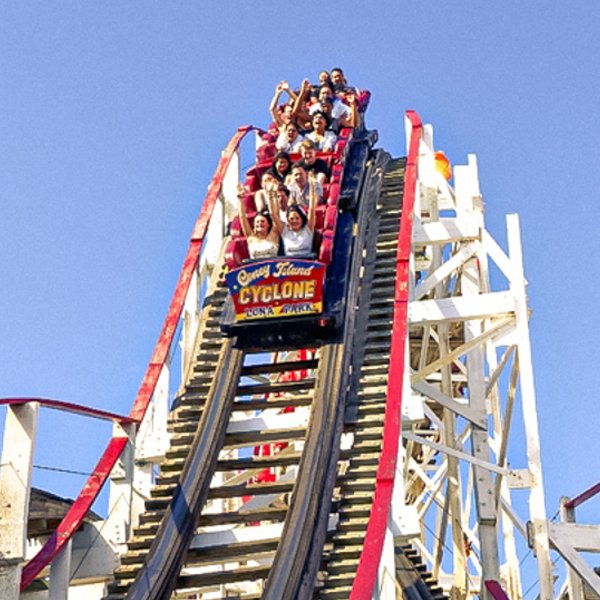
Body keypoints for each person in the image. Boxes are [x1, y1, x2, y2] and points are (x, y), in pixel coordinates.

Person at [271, 172, 318, 257]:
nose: (294, 221)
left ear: (302, 219)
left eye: (297, 218)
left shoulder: (308, 229)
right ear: (288, 221)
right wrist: (272, 193)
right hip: (289, 266)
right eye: (291, 219)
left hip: (307, 264)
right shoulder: (285, 231)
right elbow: (274, 215)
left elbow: (312, 209)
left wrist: (312, 187)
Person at [237, 184, 280, 260]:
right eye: (257, 222)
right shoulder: (251, 237)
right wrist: (240, 199)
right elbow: (242, 217)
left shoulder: (273, 235)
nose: (260, 223)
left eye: (262, 221)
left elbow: (275, 214)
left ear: (268, 224)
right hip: (255, 270)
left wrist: (272, 196)